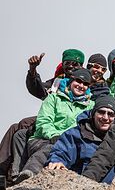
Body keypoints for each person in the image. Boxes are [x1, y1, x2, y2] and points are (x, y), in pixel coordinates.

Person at [0, 49, 85, 180]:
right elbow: (38, 89)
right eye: (68, 63)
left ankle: (27, 172)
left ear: (81, 67)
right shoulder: (56, 82)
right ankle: (9, 173)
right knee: (18, 133)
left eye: (75, 64)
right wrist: (32, 70)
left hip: (64, 125)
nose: (71, 66)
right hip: (51, 118)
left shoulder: (85, 83)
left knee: (24, 126)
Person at [14, 68, 94, 183]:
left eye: (85, 84)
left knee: (59, 148)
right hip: (43, 139)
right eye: (78, 81)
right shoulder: (53, 98)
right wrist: (54, 135)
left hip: (70, 144)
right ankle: (28, 175)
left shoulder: (90, 106)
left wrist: (64, 139)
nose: (81, 86)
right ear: (71, 81)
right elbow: (43, 121)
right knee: (51, 147)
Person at [46, 95, 115, 184]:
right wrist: (57, 161)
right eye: (101, 112)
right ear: (93, 114)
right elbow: (62, 152)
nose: (106, 118)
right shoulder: (76, 134)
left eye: (110, 114)